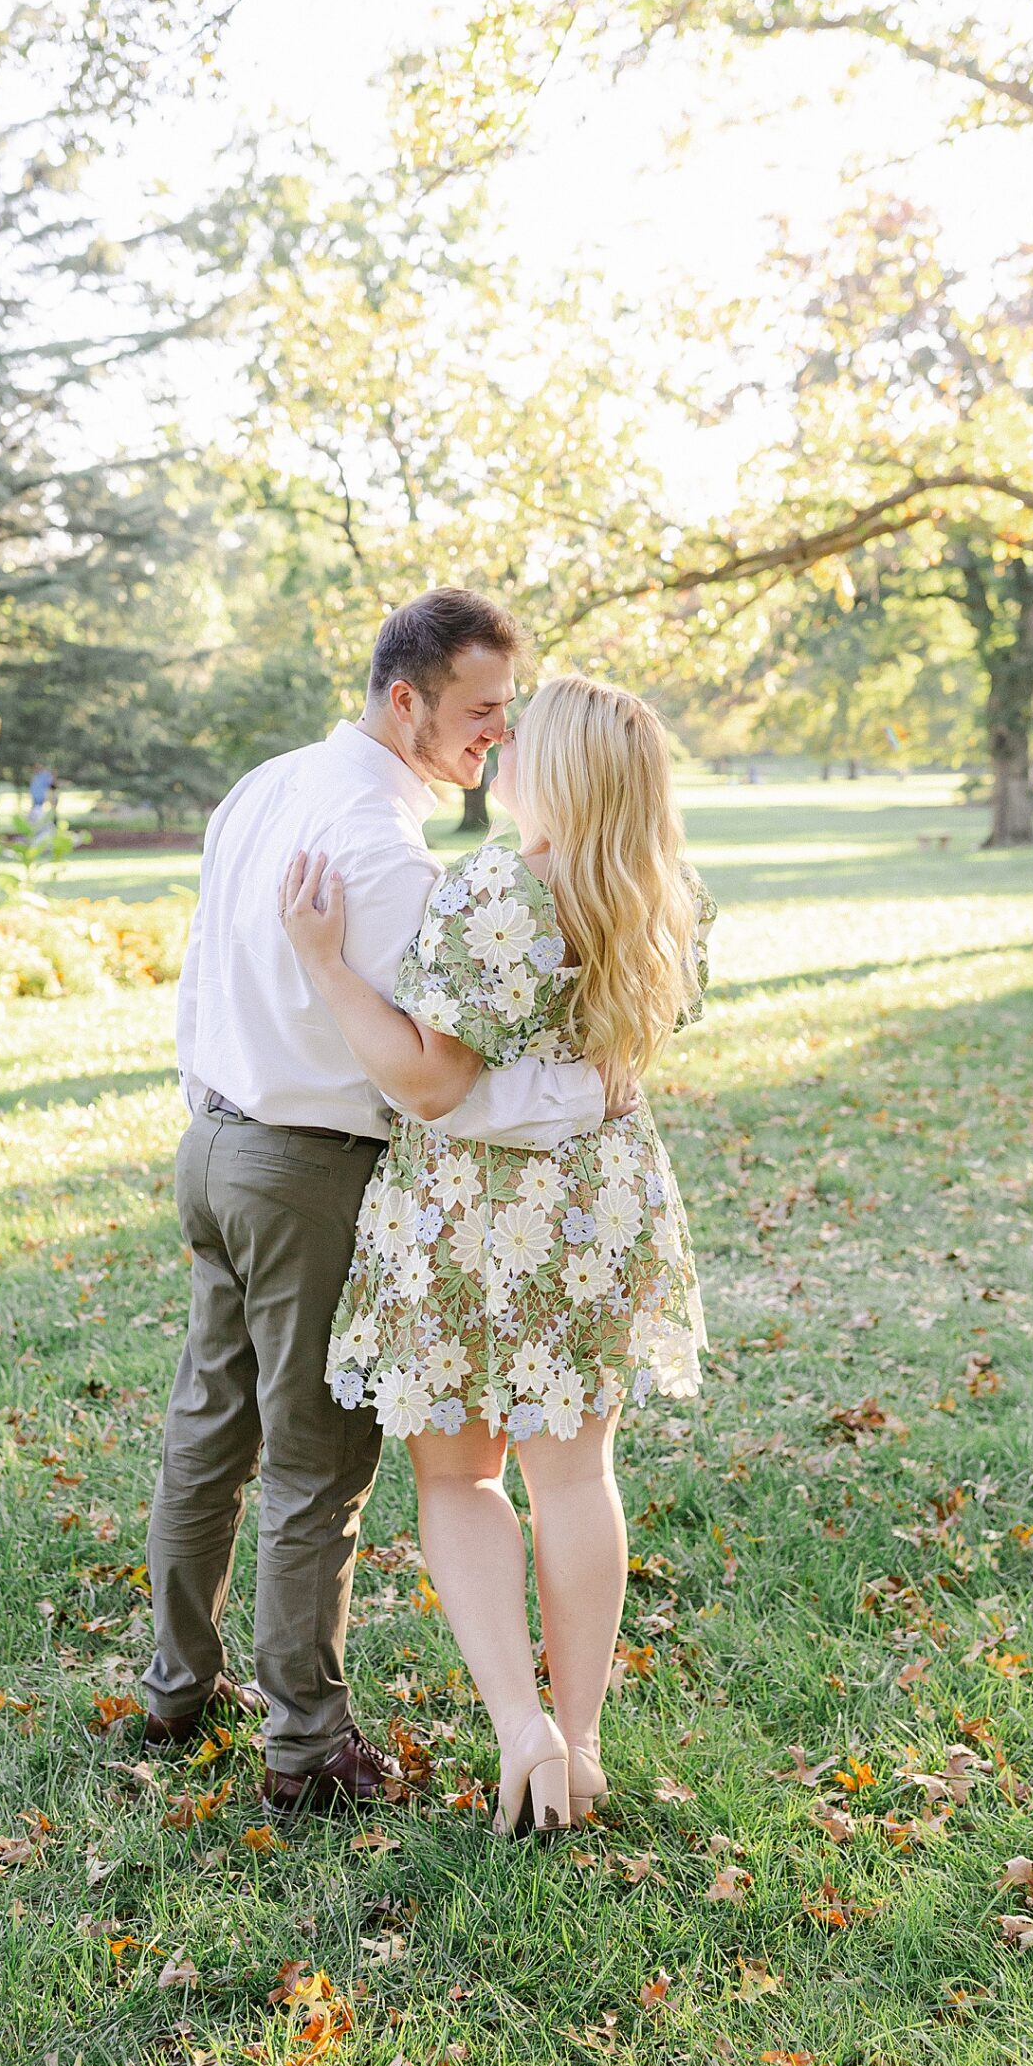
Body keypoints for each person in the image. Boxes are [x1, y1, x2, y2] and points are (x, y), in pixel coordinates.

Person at [142, 591, 612, 1814]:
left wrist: (205, 1101)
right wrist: (577, 1097)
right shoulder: (387, 855)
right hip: (303, 1169)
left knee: (208, 1429)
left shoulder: (267, 785)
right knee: (316, 1465)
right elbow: (438, 1081)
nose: (499, 737)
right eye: (480, 711)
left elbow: (200, 967)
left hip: (214, 1141)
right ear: (405, 699)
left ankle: (173, 1687)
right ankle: (306, 1747)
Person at [281, 672, 711, 1836]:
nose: (501, 746)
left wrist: (325, 962)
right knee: (577, 1473)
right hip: (602, 1207)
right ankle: (579, 1740)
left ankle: (520, 1724)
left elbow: (427, 1075)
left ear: (563, 772)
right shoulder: (666, 896)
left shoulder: (492, 896)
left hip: (472, 1214)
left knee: (462, 1476)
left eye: (523, 737)